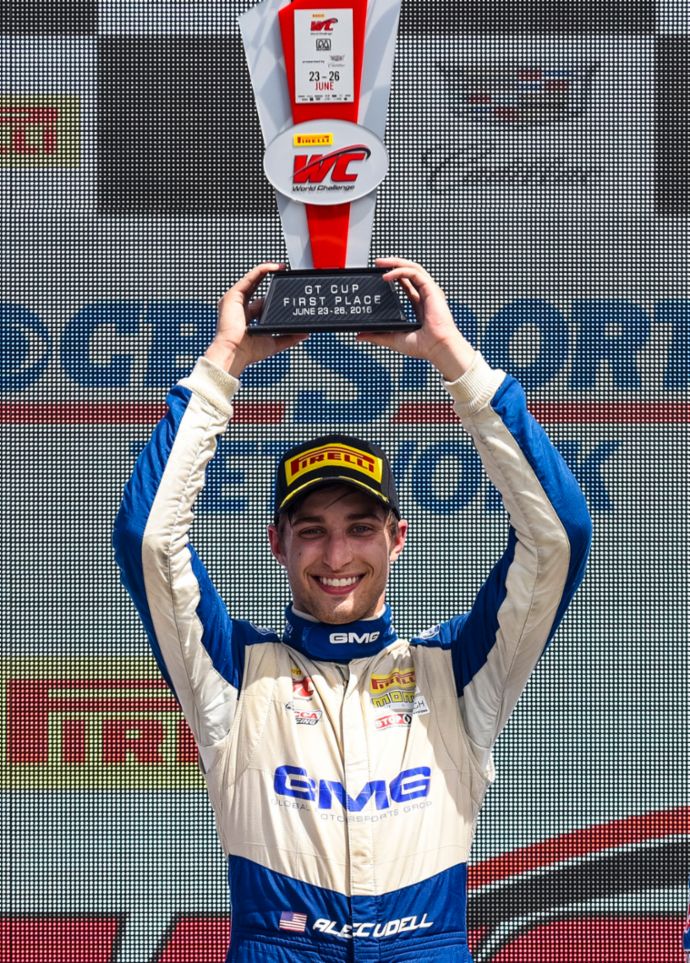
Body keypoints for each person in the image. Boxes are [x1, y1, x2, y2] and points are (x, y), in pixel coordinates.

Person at [113, 258, 591, 963]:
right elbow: (150, 540)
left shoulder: (456, 673)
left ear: (398, 538)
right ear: (277, 542)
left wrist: (454, 359)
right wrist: (223, 364)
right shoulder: (235, 674)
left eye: (360, 527)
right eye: (312, 529)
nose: (337, 555)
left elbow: (556, 537)